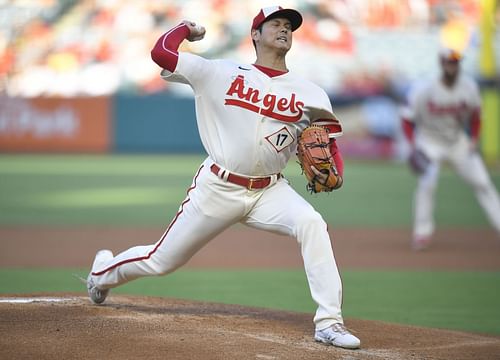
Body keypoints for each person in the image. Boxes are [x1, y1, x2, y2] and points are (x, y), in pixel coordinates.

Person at [85, 6, 360, 349]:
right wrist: (186, 29)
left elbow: (328, 146)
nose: (284, 29)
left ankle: (329, 322)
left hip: (270, 191)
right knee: (161, 260)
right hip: (218, 187)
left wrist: (338, 174)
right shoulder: (220, 72)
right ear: (255, 34)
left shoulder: (312, 93)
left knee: (312, 223)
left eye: (289, 25)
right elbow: (162, 54)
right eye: (275, 23)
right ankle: (101, 273)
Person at [401, 47, 500, 251]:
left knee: (482, 182)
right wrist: (413, 145)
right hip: (429, 141)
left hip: (457, 141)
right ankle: (422, 233)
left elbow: (476, 116)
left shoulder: (469, 87)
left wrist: (473, 139)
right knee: (427, 183)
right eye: (449, 62)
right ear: (441, 63)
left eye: (455, 62)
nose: (452, 65)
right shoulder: (426, 89)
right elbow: (407, 118)